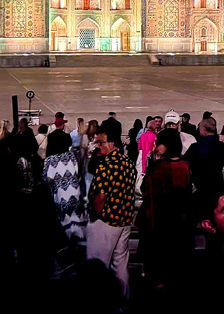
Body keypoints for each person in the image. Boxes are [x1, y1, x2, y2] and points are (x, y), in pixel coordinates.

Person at [141, 128, 194, 290]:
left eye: (159, 143)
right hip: (181, 223)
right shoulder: (186, 165)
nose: (156, 145)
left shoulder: (159, 168)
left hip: (161, 223)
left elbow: (146, 190)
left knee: (160, 267)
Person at [87, 126, 137, 297]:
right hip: (124, 220)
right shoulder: (128, 163)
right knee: (120, 264)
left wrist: (94, 215)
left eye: (101, 142)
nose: (97, 146)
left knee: (98, 265)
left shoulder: (105, 166)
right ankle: (121, 300)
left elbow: (100, 198)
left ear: (113, 143)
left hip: (105, 221)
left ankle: (99, 301)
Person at [42, 129, 88, 246]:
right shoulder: (72, 157)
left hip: (60, 204)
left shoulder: (50, 161)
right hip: (76, 203)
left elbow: (47, 182)